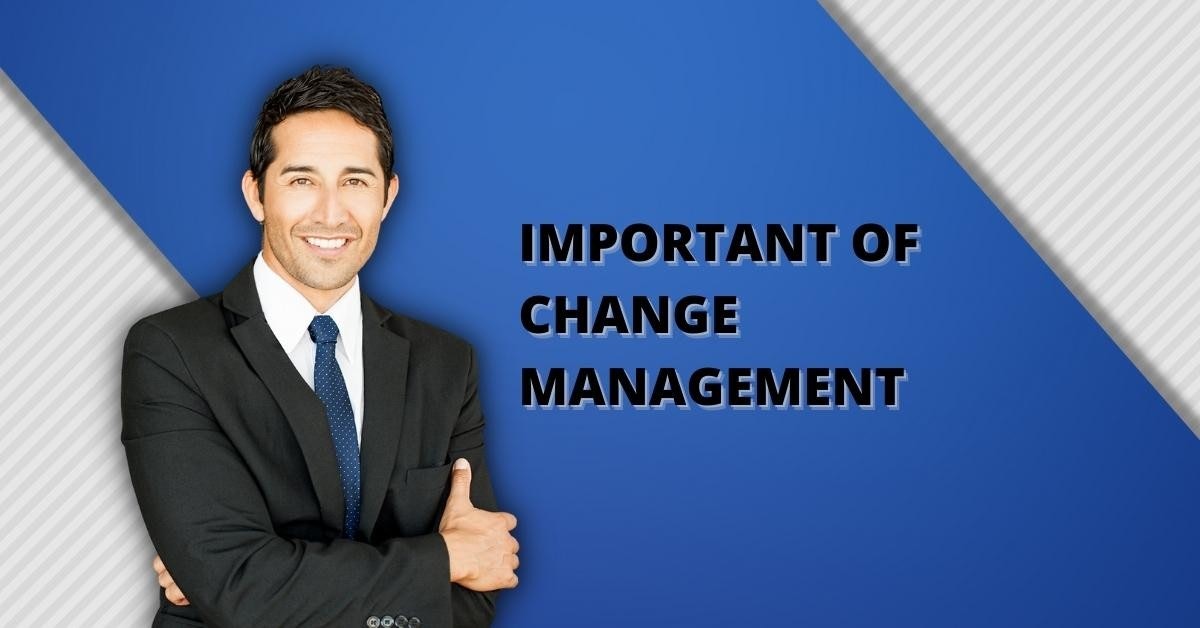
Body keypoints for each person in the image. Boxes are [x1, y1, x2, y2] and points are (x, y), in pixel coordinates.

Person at [121, 65, 518, 628]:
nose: (330, 213)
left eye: (355, 181)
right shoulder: (171, 351)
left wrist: (274, 583)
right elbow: (238, 585)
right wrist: (444, 558)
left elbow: (478, 592)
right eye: (302, 180)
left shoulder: (446, 364)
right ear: (256, 193)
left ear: (388, 196)